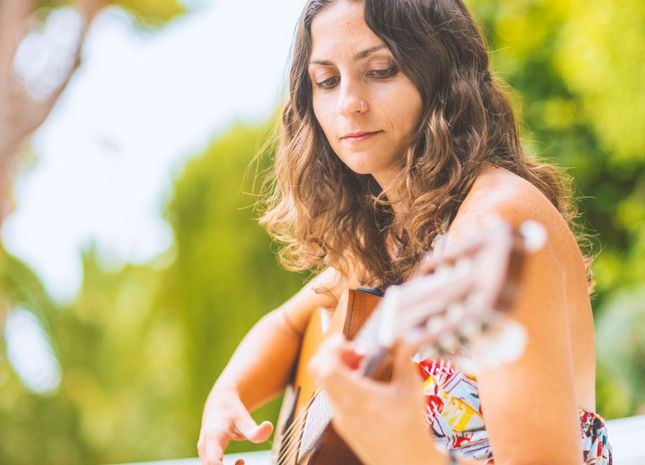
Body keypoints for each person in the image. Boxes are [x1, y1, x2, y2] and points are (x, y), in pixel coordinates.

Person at [197, 0, 613, 464]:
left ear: (440, 73)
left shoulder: (498, 222)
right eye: (328, 81)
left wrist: (403, 448)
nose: (349, 103)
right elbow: (291, 324)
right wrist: (227, 394)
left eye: (380, 69)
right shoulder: (387, 240)